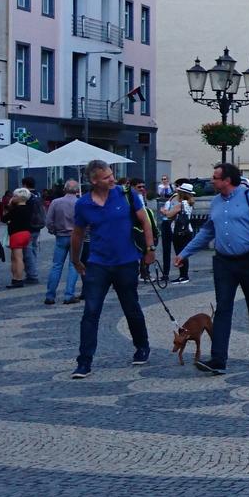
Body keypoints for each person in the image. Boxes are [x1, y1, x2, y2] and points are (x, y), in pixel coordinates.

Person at [175, 162, 249, 375]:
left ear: (227, 180)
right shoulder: (215, 202)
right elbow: (207, 232)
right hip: (224, 262)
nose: (211, 180)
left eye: (215, 177)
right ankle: (218, 359)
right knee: (222, 309)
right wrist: (185, 253)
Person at [69, 160, 156, 379]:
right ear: (94, 180)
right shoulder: (83, 204)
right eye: (107, 177)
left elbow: (145, 221)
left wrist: (150, 248)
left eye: (112, 174)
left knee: (131, 306)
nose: (112, 179)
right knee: (90, 311)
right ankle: (84, 361)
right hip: (98, 263)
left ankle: (142, 345)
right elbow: (78, 233)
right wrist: (75, 259)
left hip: (126, 261)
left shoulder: (126, 195)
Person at [44, 180, 82, 305]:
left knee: (56, 265)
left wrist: (53, 230)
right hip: (76, 237)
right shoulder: (79, 203)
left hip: (60, 236)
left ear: (64, 189)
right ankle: (68, 295)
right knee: (73, 265)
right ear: (77, 190)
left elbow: (49, 221)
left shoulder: (56, 202)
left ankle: (50, 295)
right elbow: (86, 222)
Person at [161, 186, 196, 282]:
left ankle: (183, 276)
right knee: (183, 252)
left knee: (180, 253)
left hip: (179, 231)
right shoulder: (190, 203)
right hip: (188, 230)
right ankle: (183, 275)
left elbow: (169, 214)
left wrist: (163, 211)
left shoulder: (181, 204)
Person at [3, 188, 34, 288]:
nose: (13, 198)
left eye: (15, 196)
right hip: (26, 233)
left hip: (16, 234)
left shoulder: (15, 209)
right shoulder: (29, 208)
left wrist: (9, 205)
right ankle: (16, 277)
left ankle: (18, 278)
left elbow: (4, 218)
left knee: (17, 258)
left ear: (20, 198)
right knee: (16, 257)